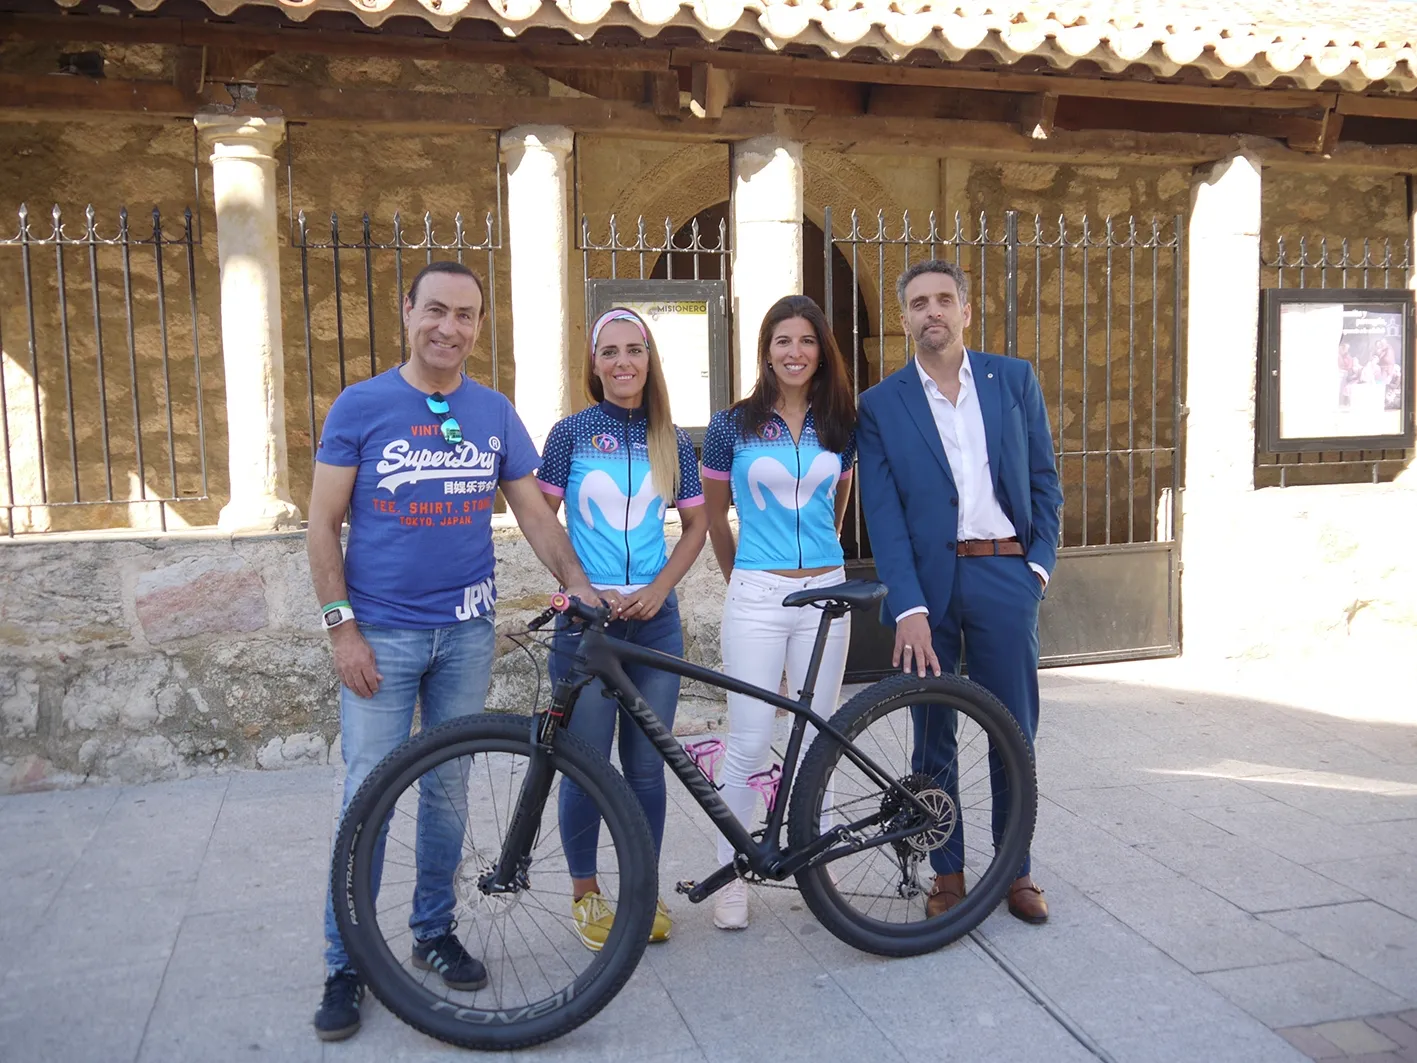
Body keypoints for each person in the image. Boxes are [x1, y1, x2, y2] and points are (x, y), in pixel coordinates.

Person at [306, 260, 601, 1042]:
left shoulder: (494, 411)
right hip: (381, 636)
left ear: (478, 325)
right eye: (434, 309)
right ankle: (346, 959)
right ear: (407, 312)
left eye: (465, 315)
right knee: (365, 794)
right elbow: (321, 524)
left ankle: (431, 930)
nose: (449, 326)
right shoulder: (361, 405)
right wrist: (341, 627)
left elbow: (534, 515)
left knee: (446, 792)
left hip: (466, 634)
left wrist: (577, 579)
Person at [856, 260, 1062, 925]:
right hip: (926, 591)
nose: (932, 311)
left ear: (966, 311)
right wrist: (906, 606)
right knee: (930, 735)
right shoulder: (880, 404)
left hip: (1004, 575)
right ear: (904, 318)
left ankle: (1016, 868)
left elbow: (1043, 481)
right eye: (918, 302)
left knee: (1013, 731)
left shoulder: (1013, 381)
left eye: (944, 299)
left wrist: (1035, 571)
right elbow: (881, 514)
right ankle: (947, 872)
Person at [536, 307, 708, 950]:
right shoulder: (571, 433)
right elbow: (541, 518)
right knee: (586, 765)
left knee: (644, 770)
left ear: (649, 359)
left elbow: (694, 527)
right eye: (609, 351)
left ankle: (642, 888)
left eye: (634, 350)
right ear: (594, 362)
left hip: (655, 627)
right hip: (587, 629)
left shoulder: (672, 439)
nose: (622, 362)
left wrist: (660, 590)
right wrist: (579, 584)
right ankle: (586, 897)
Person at [700, 294, 858, 931]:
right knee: (750, 740)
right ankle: (732, 871)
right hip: (759, 594)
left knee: (820, 736)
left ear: (822, 350)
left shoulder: (841, 423)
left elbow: (840, 502)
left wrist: (827, 562)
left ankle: (812, 859)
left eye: (807, 341)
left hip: (828, 592)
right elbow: (712, 514)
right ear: (765, 350)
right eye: (782, 341)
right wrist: (742, 575)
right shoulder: (732, 424)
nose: (795, 353)